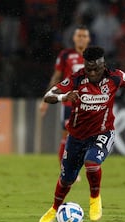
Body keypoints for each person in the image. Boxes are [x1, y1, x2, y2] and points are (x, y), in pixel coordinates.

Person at [38, 46, 125, 222]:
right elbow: (48, 95)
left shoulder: (114, 77)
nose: (92, 72)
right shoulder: (76, 79)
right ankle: (54, 209)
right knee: (66, 179)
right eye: (88, 68)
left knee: (92, 162)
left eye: (96, 68)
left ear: (103, 64)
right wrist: (64, 97)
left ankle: (95, 199)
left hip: (103, 132)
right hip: (76, 136)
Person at [39, 25, 90, 169]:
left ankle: (80, 165)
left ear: (88, 39)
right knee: (67, 135)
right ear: (74, 38)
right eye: (78, 36)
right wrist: (46, 100)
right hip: (69, 102)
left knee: (86, 136)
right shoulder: (65, 55)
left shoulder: (92, 56)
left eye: (84, 36)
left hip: (88, 102)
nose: (81, 39)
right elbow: (56, 77)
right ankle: (65, 168)